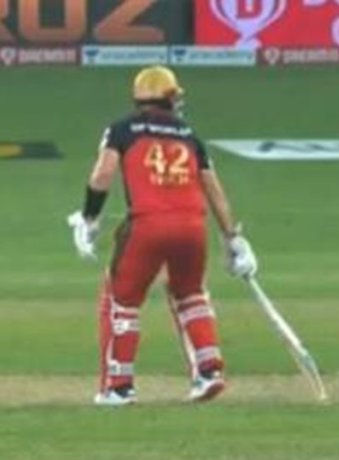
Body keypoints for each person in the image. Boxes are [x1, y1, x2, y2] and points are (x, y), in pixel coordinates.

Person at [67, 66, 258, 406]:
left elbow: (103, 174)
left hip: (148, 224)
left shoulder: (122, 129)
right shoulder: (188, 134)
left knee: (120, 300)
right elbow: (214, 190)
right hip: (192, 226)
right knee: (190, 294)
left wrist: (90, 218)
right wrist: (233, 239)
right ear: (169, 98)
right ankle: (208, 372)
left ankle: (118, 386)